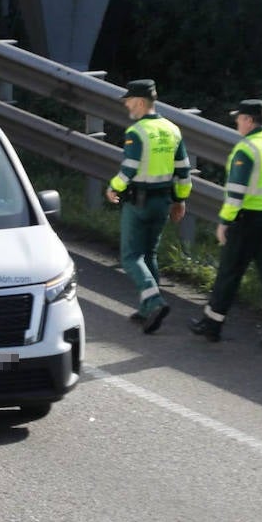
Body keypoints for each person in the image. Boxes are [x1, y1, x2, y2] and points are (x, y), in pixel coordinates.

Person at [190, 99, 262, 348]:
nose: (237, 122)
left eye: (239, 118)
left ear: (249, 120)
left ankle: (212, 325)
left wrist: (224, 221)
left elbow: (235, 193)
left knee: (229, 273)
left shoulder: (246, 149)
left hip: (246, 220)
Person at [104, 79, 191, 334]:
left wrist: (113, 188)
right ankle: (146, 311)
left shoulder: (137, 132)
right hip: (163, 202)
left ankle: (154, 301)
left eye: (129, 101)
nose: (127, 105)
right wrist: (180, 199)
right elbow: (184, 171)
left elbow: (128, 170)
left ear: (141, 102)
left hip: (139, 202)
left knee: (131, 256)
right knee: (150, 254)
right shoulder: (173, 130)